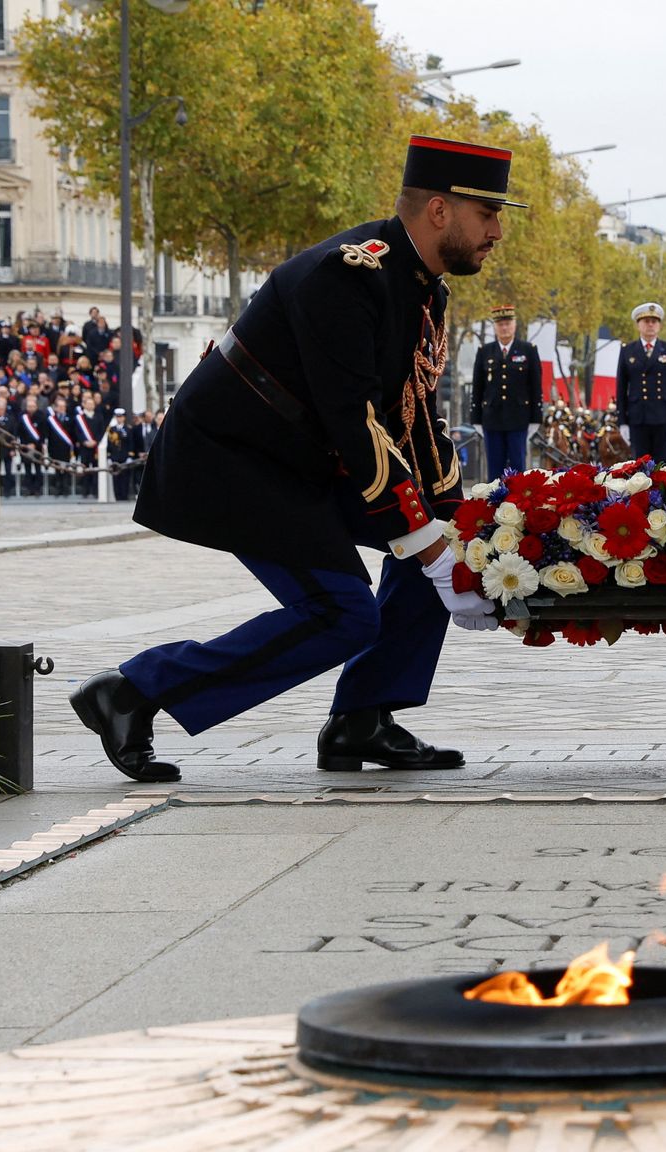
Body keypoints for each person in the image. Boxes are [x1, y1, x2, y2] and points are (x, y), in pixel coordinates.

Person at [70, 134, 516, 783]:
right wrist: (431, 549)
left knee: (440, 539)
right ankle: (133, 690)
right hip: (233, 461)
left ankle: (362, 718)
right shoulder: (347, 277)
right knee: (343, 614)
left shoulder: (423, 289)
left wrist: (463, 533)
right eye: (488, 214)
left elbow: (412, 425)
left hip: (303, 459)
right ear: (441, 211)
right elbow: (358, 424)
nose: (498, 231)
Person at [470, 304, 541, 478]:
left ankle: (517, 505)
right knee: (494, 470)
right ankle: (495, 504)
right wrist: (475, 418)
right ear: (495, 327)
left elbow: (535, 386)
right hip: (491, 419)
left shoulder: (528, 350)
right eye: (500, 324)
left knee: (517, 469)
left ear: (514, 325)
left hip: (518, 418)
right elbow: (477, 387)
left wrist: (536, 418)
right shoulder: (484, 351)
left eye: (508, 323)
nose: (504, 327)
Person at [616, 302, 666, 465]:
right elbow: (621, 388)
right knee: (640, 469)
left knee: (664, 468)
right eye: (646, 321)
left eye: (654, 321)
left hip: (664, 417)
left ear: (659, 326)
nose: (650, 325)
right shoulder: (628, 350)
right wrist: (622, 422)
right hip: (637, 418)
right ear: (638, 325)